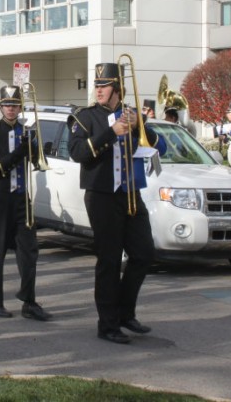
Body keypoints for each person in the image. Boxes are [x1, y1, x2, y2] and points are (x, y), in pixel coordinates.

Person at [67, 63, 166, 344]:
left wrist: (138, 125)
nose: (98, 89)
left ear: (117, 89)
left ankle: (125, 313)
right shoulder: (85, 118)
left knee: (144, 254)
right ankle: (107, 324)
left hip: (130, 192)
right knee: (109, 261)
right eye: (96, 85)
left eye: (104, 85)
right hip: (101, 195)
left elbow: (160, 147)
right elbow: (77, 153)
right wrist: (112, 132)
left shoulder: (132, 114)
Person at [0, 86, 51, 321]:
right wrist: (20, 151)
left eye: (15, 105)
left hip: (22, 198)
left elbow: (38, 160)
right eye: (7, 105)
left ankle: (29, 301)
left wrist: (36, 147)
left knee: (29, 251)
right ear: (1, 107)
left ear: (20, 108)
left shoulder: (26, 131)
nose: (11, 109)